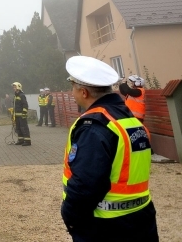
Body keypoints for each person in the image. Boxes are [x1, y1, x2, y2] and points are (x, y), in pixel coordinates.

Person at [62, 56, 158, 242]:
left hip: (106, 228)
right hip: (141, 219)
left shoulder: (94, 126)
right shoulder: (127, 118)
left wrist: (70, 217)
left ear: (84, 92)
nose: (71, 91)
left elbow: (85, 185)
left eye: (72, 87)